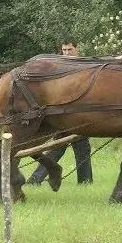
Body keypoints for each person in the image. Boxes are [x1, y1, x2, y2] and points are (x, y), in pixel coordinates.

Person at [26, 40, 94, 185]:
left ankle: (36, 179)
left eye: (70, 49)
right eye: (64, 50)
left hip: (78, 113)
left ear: (77, 49)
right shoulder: (58, 67)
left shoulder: (84, 65)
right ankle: (85, 181)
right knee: (67, 145)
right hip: (62, 113)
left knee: (70, 146)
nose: (67, 53)